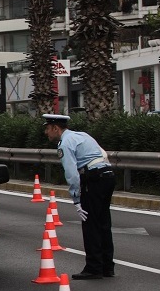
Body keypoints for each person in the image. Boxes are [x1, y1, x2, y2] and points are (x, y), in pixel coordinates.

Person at [43, 113, 115, 279]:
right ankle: (107, 266)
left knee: (90, 224)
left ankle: (94, 267)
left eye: (48, 129)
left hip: (94, 180)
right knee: (103, 222)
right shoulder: (82, 135)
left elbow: (72, 174)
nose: (46, 133)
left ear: (55, 128)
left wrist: (76, 199)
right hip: (108, 176)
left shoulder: (65, 143)